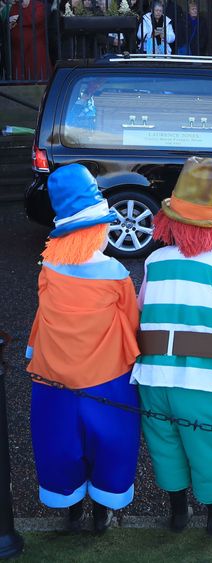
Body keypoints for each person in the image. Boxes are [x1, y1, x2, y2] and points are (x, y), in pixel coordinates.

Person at [131, 157, 212, 535]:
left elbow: (140, 311)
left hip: (155, 375)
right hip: (209, 380)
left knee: (166, 442)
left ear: (169, 218)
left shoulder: (153, 259)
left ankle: (178, 513)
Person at [26, 164, 140, 533]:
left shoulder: (48, 267)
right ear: (97, 229)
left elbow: (43, 316)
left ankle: (71, 508)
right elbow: (131, 322)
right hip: (107, 377)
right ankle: (102, 511)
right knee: (111, 442)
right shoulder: (116, 273)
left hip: (52, 377)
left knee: (58, 442)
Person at [2, 0, 50, 80]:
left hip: (34, 50)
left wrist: (18, 19)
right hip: (17, 51)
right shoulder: (14, 7)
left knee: (38, 77)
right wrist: (10, 22)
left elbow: (38, 18)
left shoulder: (38, 5)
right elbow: (9, 24)